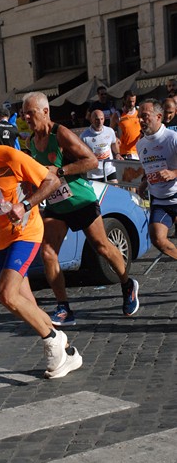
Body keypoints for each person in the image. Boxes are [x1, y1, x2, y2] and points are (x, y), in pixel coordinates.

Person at [0, 115, 82, 379]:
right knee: (26, 302)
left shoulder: (10, 156)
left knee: (6, 295)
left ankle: (51, 340)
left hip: (26, 232)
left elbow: (52, 181)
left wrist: (24, 205)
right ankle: (68, 352)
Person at [22, 91, 140, 326]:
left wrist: (61, 171)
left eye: (30, 112)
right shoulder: (30, 141)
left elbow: (91, 161)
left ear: (45, 112)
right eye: (24, 113)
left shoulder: (61, 134)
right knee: (47, 253)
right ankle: (63, 307)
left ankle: (127, 284)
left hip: (81, 200)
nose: (26, 117)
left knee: (102, 247)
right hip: (56, 204)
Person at [137, 99, 177, 260]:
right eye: (139, 116)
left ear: (158, 116)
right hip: (160, 201)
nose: (141, 120)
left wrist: (174, 173)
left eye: (145, 116)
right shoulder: (140, 145)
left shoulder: (172, 138)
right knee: (158, 239)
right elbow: (150, 167)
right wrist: (144, 182)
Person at [81, 110, 119, 182]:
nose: (100, 122)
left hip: (109, 170)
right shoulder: (84, 136)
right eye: (97, 119)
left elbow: (114, 143)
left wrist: (117, 154)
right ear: (91, 120)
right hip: (94, 174)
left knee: (115, 189)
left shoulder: (110, 131)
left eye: (102, 119)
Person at [110, 90, 141, 159]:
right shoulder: (118, 114)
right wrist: (116, 138)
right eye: (129, 101)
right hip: (126, 153)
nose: (132, 104)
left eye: (133, 101)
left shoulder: (139, 112)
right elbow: (110, 131)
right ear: (124, 100)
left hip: (140, 150)